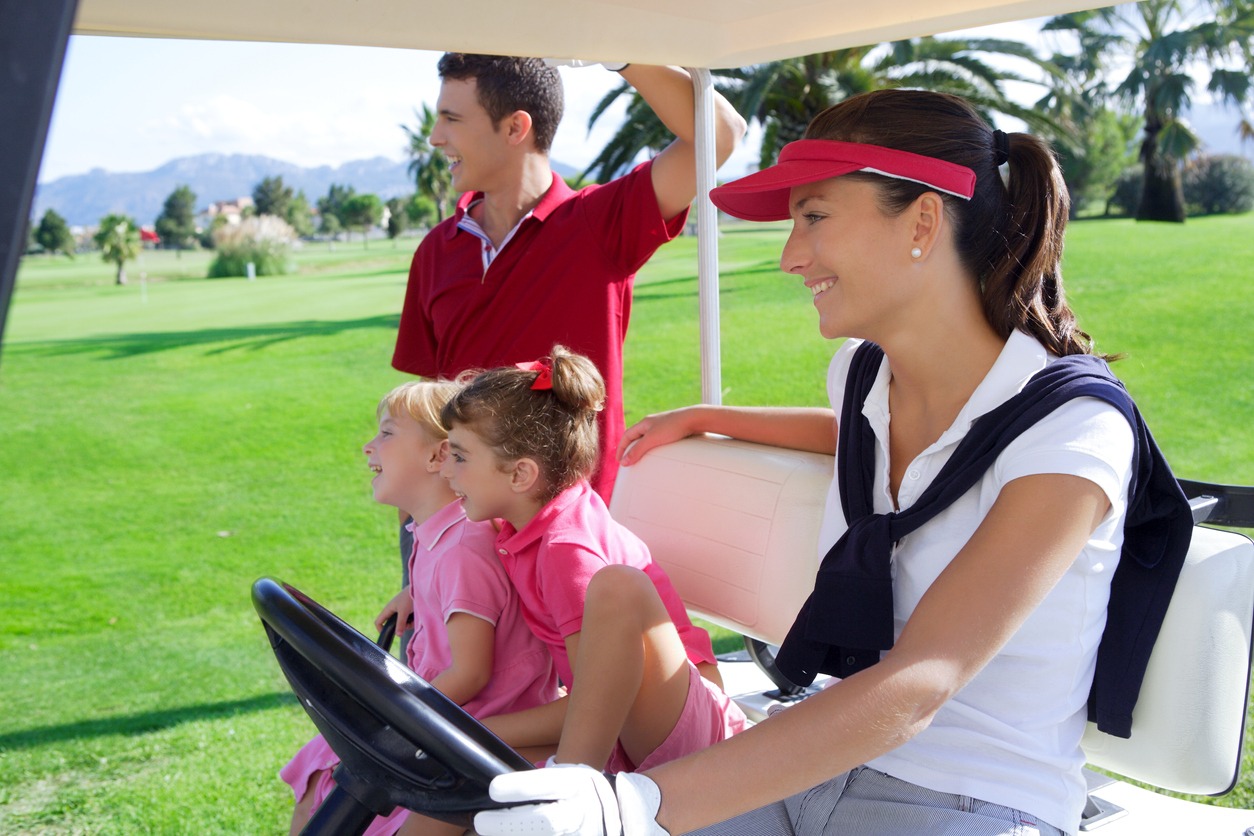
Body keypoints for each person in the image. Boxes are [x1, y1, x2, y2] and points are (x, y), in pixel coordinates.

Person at [468, 89, 1193, 836]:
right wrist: (709, 416)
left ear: (922, 222)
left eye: (814, 216)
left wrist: (638, 803)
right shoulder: (863, 375)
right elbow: (861, 435)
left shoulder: (1074, 429)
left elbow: (922, 682)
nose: (790, 256)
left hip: (973, 798)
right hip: (812, 765)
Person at [434, 345, 747, 778]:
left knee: (462, 749)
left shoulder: (566, 549)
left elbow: (594, 705)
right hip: (634, 719)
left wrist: (470, 728)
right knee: (455, 775)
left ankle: (576, 795)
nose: (446, 471)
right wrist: (416, 591)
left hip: (683, 730)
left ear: (521, 475)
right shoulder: (530, 520)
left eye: (460, 456)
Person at [280, 381, 559, 836]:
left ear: (436, 457)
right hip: (449, 725)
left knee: (355, 795)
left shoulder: (462, 549)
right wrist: (416, 592)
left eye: (387, 433)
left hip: (475, 740)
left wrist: (394, 718)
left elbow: (470, 674)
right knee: (320, 767)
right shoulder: (436, 536)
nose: (369, 446)